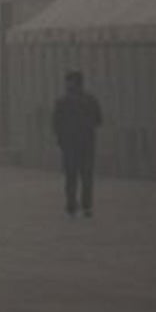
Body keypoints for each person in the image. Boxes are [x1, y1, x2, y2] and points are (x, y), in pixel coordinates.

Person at [52, 70, 103, 218]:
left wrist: (61, 139)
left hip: (70, 145)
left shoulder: (62, 102)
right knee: (86, 176)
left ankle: (71, 206)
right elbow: (99, 120)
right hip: (86, 144)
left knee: (71, 176)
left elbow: (56, 124)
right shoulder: (91, 100)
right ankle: (86, 206)